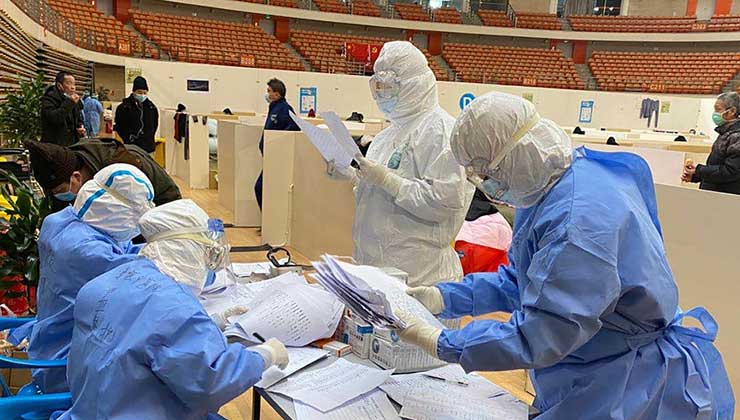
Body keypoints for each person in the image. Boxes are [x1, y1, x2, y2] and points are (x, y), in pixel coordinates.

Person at [399, 92, 735, 420]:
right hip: (597, 363)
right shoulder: (555, 183)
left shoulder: (577, 223)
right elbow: (524, 280)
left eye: (487, 174)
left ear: (515, 156)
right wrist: (443, 297)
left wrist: (444, 342)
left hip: (626, 383)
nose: (489, 186)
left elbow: (543, 333)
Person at [54, 199, 289, 420]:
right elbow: (211, 383)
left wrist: (212, 322)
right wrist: (264, 355)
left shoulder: (105, 282)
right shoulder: (176, 312)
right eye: (208, 253)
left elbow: (138, 331)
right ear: (189, 249)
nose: (209, 265)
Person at [329, 41, 472, 287]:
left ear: (414, 85)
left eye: (389, 87)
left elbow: (443, 202)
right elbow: (377, 193)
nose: (382, 95)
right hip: (375, 269)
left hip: (420, 276)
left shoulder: (440, 131)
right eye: (378, 87)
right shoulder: (387, 136)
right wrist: (352, 175)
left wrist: (386, 179)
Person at [29, 164, 155, 393]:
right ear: (116, 213)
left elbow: (124, 251)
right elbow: (149, 273)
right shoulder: (87, 251)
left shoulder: (60, 222)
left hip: (51, 344)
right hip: (69, 365)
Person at [26, 140, 181, 211]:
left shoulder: (123, 171)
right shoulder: (70, 160)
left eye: (59, 190)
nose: (57, 195)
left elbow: (132, 219)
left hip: (162, 208)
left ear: (76, 177)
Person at [683, 92, 740, 195]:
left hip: (725, 198)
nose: (715, 113)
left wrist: (699, 170)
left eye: (718, 109)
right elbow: (717, 166)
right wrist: (696, 176)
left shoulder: (737, 136)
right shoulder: (725, 133)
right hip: (714, 194)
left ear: (732, 111)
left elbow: (731, 171)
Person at [255, 78, 299, 210]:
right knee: (263, 189)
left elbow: (295, 127)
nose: (267, 94)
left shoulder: (285, 109)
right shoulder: (273, 107)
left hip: (277, 157)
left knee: (259, 187)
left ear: (277, 93)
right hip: (269, 156)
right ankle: (267, 222)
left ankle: (268, 222)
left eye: (269, 91)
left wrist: (278, 142)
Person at [114, 76, 159, 153]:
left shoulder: (151, 107)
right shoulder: (124, 107)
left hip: (148, 148)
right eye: (139, 92)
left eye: (145, 93)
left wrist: (149, 137)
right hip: (131, 148)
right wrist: (128, 138)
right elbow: (119, 126)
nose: (142, 95)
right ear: (134, 91)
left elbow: (154, 125)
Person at [40, 71, 85, 146]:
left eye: (74, 84)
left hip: (71, 145)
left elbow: (78, 119)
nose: (73, 87)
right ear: (59, 85)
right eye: (69, 83)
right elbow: (54, 118)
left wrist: (80, 128)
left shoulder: (73, 100)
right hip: (54, 146)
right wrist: (69, 103)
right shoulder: (48, 99)